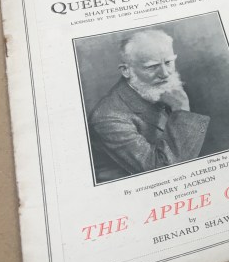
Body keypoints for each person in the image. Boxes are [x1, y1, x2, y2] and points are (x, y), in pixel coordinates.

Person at [88, 29, 209, 183]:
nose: (165, 73)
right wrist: (182, 112)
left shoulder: (168, 91)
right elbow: (161, 170)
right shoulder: (107, 117)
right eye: (152, 67)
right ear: (126, 71)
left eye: (168, 62)